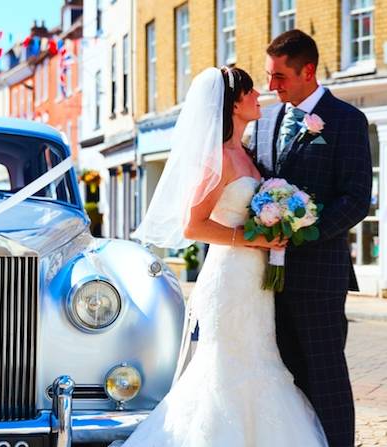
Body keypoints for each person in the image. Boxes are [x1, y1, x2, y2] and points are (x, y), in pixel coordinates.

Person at [119, 66, 328, 446]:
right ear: (234, 103)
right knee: (225, 369)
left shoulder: (245, 154)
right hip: (229, 277)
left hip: (255, 279)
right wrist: (251, 241)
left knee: (259, 358)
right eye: (250, 93)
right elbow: (192, 226)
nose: (259, 97)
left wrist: (273, 229)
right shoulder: (218, 159)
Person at [250, 29, 372, 447]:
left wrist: (304, 232)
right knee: (281, 374)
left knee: (325, 377)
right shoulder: (264, 121)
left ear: (307, 71)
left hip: (320, 276)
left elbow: (357, 199)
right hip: (263, 279)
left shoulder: (347, 121)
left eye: (280, 77)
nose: (271, 86)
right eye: (268, 75)